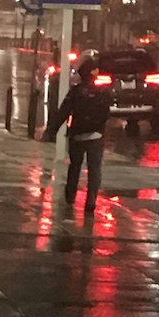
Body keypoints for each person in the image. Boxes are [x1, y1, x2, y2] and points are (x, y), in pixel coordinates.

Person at [42, 57, 111, 213]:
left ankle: (70, 194)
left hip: (77, 135)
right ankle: (91, 199)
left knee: (75, 166)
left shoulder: (76, 91)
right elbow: (106, 113)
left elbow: (63, 112)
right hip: (96, 136)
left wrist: (51, 131)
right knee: (94, 169)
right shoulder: (101, 92)